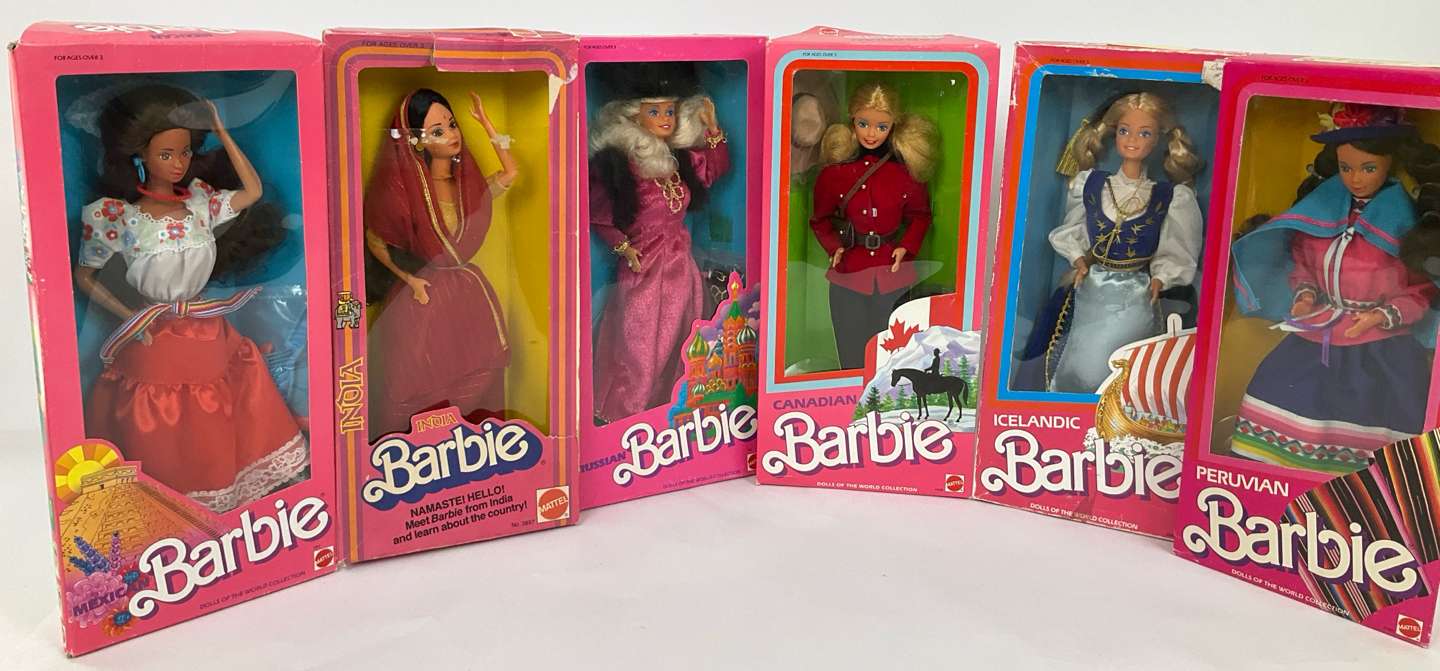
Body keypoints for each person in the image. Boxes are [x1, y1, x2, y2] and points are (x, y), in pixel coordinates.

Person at [364, 88, 517, 438]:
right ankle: (419, 441)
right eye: (437, 131)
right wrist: (409, 279)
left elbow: (510, 173)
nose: (450, 134)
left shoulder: (468, 187)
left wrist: (486, 124)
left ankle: (470, 439)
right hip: (424, 296)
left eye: (452, 124)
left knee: (478, 369)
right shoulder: (403, 190)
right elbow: (376, 240)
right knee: (418, 374)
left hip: (467, 292)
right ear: (416, 141)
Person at [810, 81, 938, 371]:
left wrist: (907, 246)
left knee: (892, 351)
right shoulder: (834, 174)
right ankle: (849, 392)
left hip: (892, 273)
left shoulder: (906, 173)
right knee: (851, 347)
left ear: (893, 126)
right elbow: (820, 220)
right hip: (849, 274)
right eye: (863, 124)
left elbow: (921, 215)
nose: (871, 134)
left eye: (881, 126)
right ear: (852, 121)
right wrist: (834, 247)